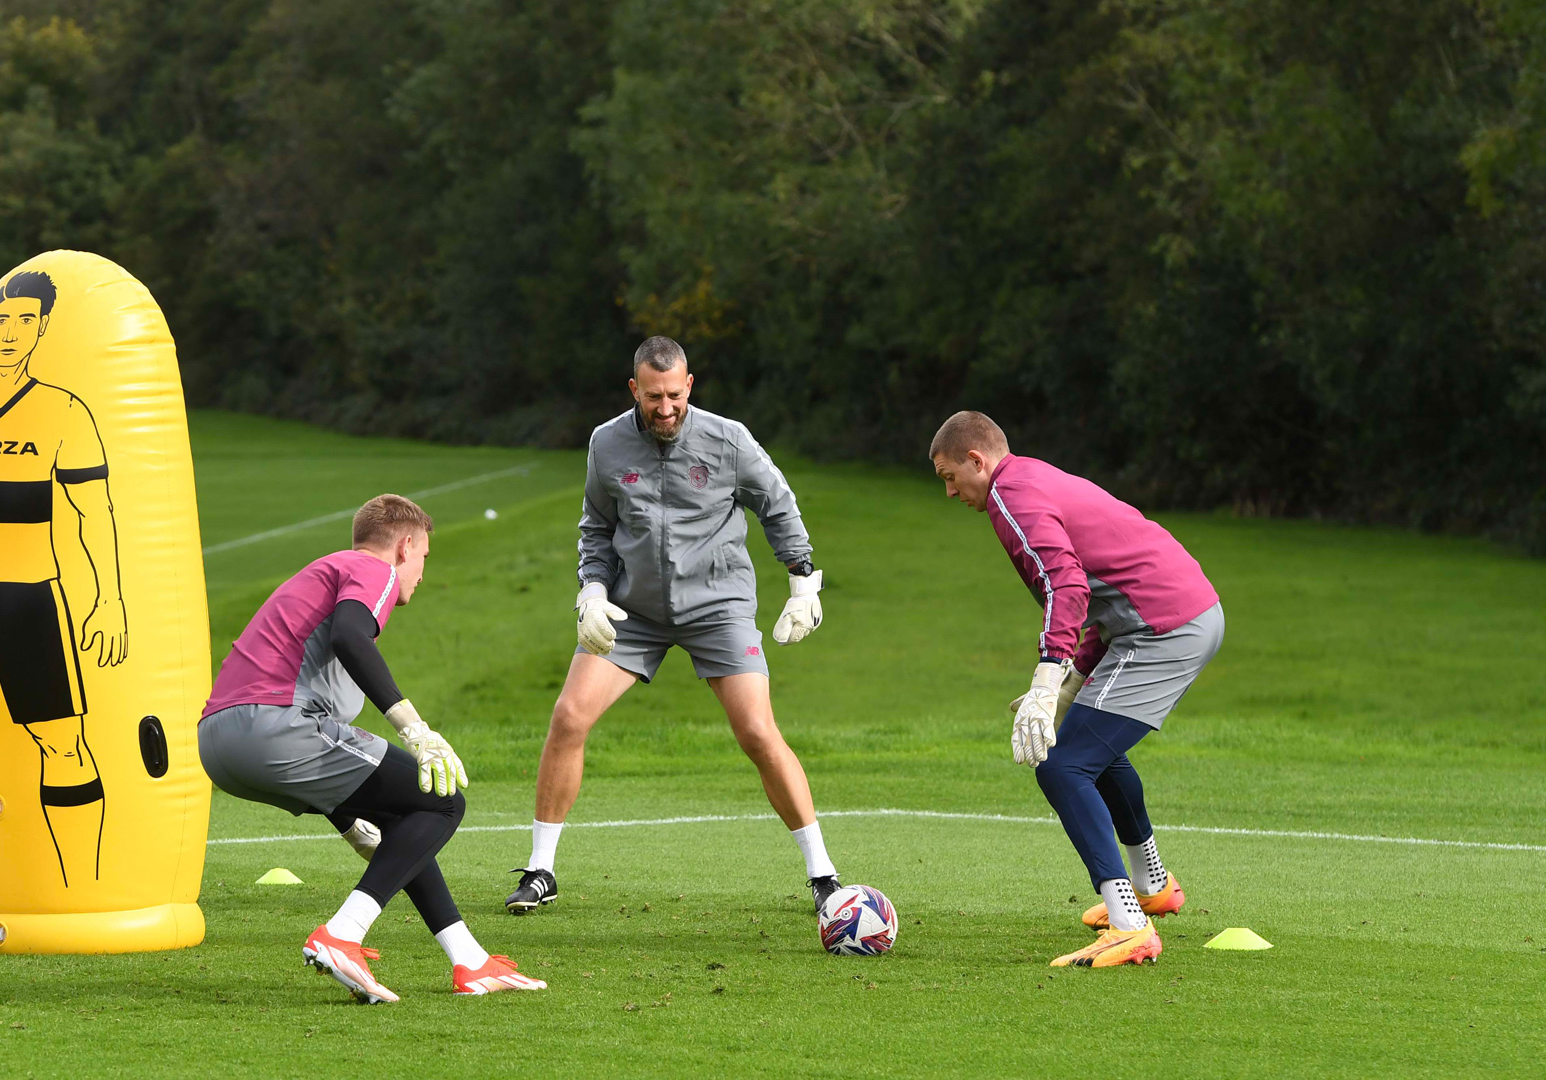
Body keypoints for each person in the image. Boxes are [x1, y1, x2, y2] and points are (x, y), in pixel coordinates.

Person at [506, 336, 844, 917]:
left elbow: (778, 503)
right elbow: (596, 528)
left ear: (689, 385)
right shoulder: (606, 443)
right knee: (568, 716)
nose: (665, 408)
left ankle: (824, 876)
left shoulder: (728, 439)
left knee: (758, 733)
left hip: (718, 604)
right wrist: (590, 592)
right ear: (634, 389)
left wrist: (802, 580)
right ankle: (541, 870)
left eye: (674, 395)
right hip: (633, 611)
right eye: (653, 397)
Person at [199, 494, 544, 1003]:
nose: (422, 573)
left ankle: (469, 961)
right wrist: (415, 729)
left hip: (220, 744)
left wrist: (346, 820)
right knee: (444, 800)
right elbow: (350, 638)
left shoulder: (323, 573)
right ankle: (343, 934)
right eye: (424, 556)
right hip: (274, 726)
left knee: (407, 813)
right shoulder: (371, 569)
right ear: (405, 546)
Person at [928, 410, 1225, 968]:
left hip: (1164, 627)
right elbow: (1099, 592)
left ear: (977, 461)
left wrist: (1047, 679)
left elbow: (1066, 586)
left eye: (949, 476)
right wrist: (1070, 682)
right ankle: (1152, 885)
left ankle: (1129, 925)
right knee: (1093, 750)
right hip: (1176, 613)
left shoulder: (1010, 499)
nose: (949, 491)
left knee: (1063, 766)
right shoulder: (1030, 478)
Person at [0, 269, 127, 887]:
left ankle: (83, 885)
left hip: (31, 602)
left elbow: (95, 512)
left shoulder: (65, 410)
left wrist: (109, 602)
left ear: (40, 329)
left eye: (25, 321)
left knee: (63, 743)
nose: (10, 332)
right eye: (2, 320)